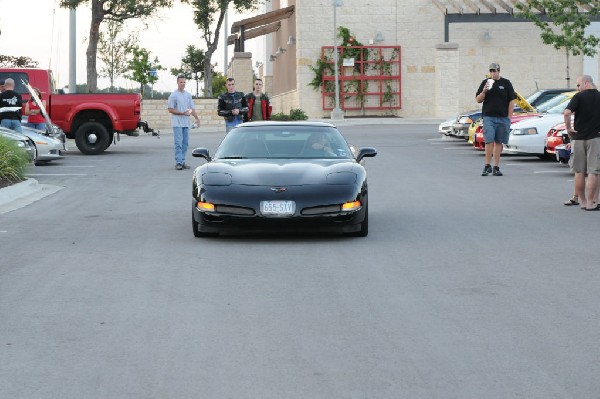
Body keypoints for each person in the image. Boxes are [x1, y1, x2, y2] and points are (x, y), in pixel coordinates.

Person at [563, 75, 600, 211]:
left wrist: (569, 129)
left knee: (579, 171)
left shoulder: (578, 97)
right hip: (595, 138)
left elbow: (566, 113)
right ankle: (591, 202)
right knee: (593, 172)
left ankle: (583, 201)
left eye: (579, 85)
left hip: (578, 138)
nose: (577, 88)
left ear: (586, 83)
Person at [475, 62, 516, 176]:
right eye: (491, 71)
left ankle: (496, 167)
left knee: (499, 142)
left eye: (495, 71)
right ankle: (487, 166)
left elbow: (511, 101)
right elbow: (478, 99)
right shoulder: (485, 83)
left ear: (499, 71)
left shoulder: (506, 83)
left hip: (503, 118)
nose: (493, 73)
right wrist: (484, 91)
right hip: (489, 117)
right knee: (489, 141)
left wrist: (509, 117)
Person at [167, 75, 200, 170]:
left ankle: (183, 160)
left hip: (186, 123)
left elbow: (191, 109)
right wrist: (181, 113)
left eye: (184, 82)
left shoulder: (188, 95)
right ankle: (178, 162)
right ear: (177, 83)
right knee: (178, 143)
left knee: (185, 143)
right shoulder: (173, 95)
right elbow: (170, 109)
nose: (183, 84)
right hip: (177, 123)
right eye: (181, 82)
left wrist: (197, 118)